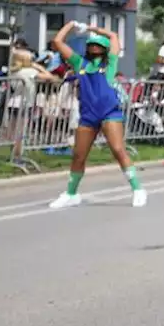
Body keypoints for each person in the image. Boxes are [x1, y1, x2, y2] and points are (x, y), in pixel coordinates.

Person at [47, 21, 148, 209]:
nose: (94, 46)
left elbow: (114, 37)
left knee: (118, 150)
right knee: (78, 155)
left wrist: (92, 29)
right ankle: (71, 193)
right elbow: (58, 41)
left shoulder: (111, 61)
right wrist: (71, 24)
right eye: (91, 44)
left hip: (109, 112)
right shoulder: (79, 62)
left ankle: (138, 189)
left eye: (98, 44)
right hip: (88, 114)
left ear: (104, 48)